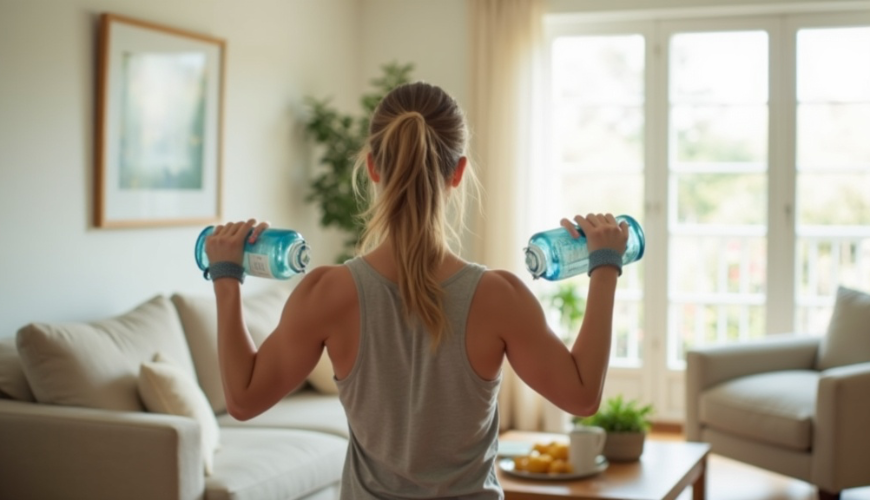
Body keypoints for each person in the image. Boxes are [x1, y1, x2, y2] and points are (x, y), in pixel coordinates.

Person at [204, 81, 628, 499]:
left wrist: (227, 276)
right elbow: (582, 395)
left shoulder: (326, 292)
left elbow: (242, 401)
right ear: (458, 172)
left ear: (372, 166)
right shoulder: (500, 296)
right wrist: (604, 267)